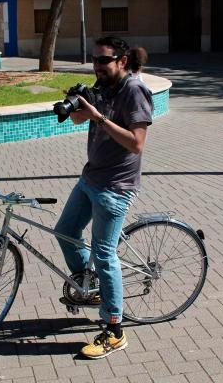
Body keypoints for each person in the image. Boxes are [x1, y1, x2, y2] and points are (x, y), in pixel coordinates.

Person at [54, 36, 153, 359]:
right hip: (90, 177)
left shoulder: (134, 91)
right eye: (94, 60)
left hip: (115, 185)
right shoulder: (103, 86)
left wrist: (99, 117)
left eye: (104, 60)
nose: (97, 66)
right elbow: (80, 119)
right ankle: (90, 286)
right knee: (66, 231)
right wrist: (76, 104)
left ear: (122, 61)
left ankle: (114, 330)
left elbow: (137, 143)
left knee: (104, 253)